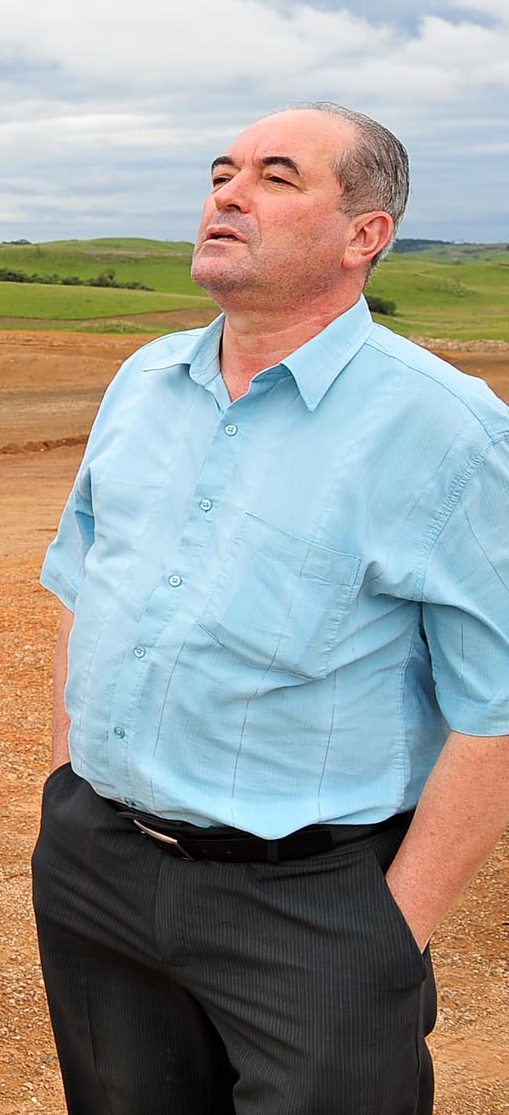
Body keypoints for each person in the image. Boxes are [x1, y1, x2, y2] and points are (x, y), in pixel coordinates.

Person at [34, 104, 509, 1115]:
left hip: (309, 908)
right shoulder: (143, 382)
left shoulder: (444, 429)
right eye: (221, 171)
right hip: (97, 872)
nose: (227, 193)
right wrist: (80, 789)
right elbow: (81, 580)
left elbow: (497, 708)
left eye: (275, 176)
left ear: (362, 236)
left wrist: (388, 930)